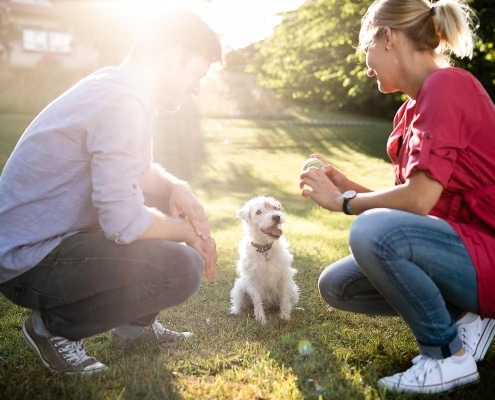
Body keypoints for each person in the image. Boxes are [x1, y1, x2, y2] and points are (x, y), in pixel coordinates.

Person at [0, 8, 221, 374]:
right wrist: (184, 232)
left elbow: (133, 171)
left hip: (46, 243)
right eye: (196, 74)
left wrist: (174, 186)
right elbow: (121, 221)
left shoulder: (119, 88)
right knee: (183, 269)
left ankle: (135, 328)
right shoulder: (121, 102)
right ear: (171, 55)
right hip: (28, 262)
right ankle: (53, 328)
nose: (196, 88)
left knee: (162, 198)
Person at [300, 0, 495, 394]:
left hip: (487, 252)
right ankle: (467, 314)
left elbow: (418, 201)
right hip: (459, 247)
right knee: (338, 284)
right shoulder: (410, 111)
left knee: (372, 232)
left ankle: (446, 356)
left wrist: (346, 205)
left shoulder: (447, 85)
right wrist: (349, 188)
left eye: (366, 49)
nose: (366, 64)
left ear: (388, 38)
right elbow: (418, 207)